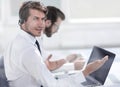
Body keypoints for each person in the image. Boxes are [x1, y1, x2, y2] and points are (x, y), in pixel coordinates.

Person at [4, 1, 108, 87]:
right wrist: (86, 72)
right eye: (35, 18)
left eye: (43, 19)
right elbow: (53, 85)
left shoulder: (21, 40)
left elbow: (44, 67)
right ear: (23, 21)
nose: (41, 24)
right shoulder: (28, 50)